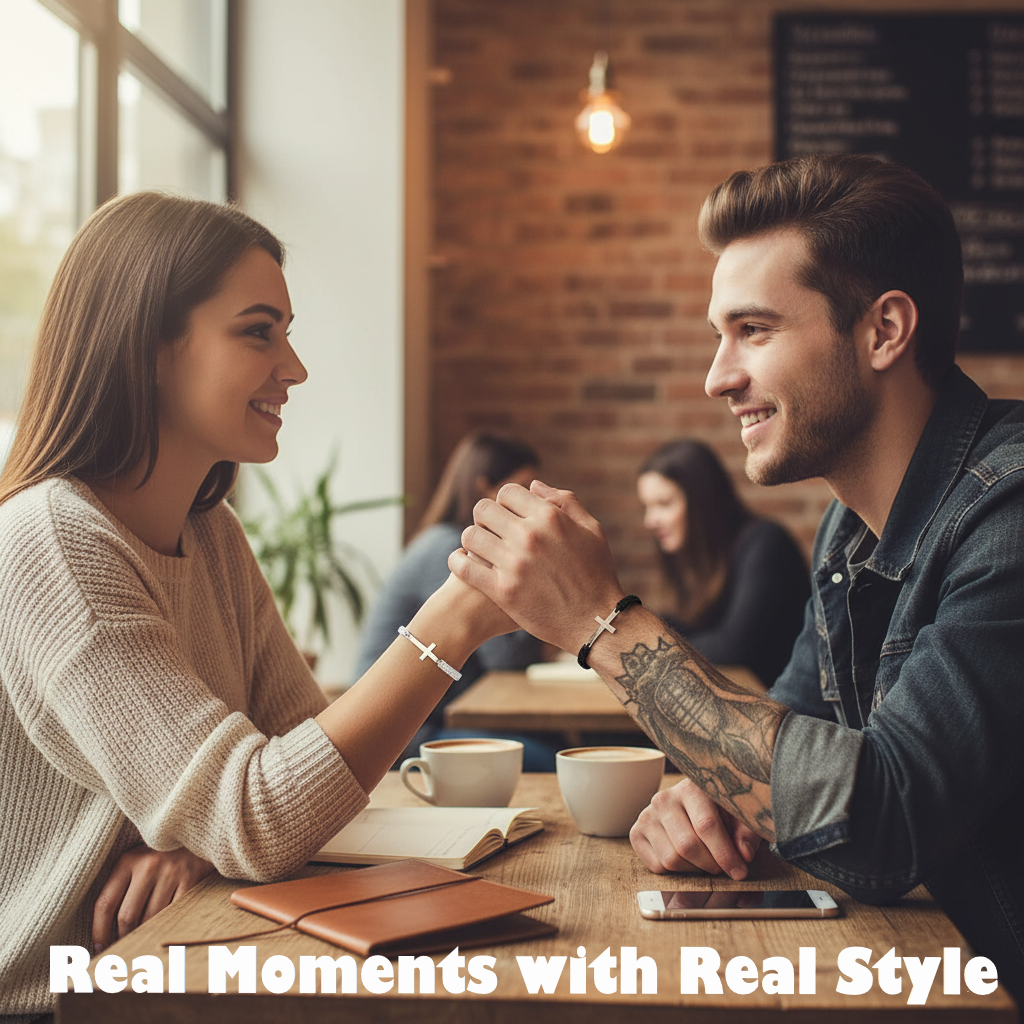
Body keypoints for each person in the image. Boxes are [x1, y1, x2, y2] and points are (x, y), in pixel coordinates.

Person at [449, 154, 1024, 999]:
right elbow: (787, 732)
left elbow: (882, 819)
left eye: (753, 330)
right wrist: (708, 798)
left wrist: (602, 622)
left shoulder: (1007, 514)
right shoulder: (849, 529)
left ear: (884, 332)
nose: (717, 377)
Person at [0, 192, 511, 1021]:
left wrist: (199, 848)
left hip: (160, 967)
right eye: (258, 331)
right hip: (52, 1001)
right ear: (151, 348)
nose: (295, 366)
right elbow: (261, 812)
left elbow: (295, 782)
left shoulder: (210, 536)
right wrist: (452, 622)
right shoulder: (51, 541)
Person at [355, 432, 553, 768]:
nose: (532, 507)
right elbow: (505, 658)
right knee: (551, 760)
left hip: (435, 721)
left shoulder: (444, 542)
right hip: (407, 738)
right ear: (483, 490)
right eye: (520, 490)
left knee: (558, 746)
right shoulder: (450, 552)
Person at [637, 439, 808, 685]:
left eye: (663, 504)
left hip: (786, 712)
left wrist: (644, 650)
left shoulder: (765, 543)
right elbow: (687, 627)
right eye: (647, 507)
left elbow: (733, 647)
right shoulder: (704, 562)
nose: (650, 521)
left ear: (703, 502)